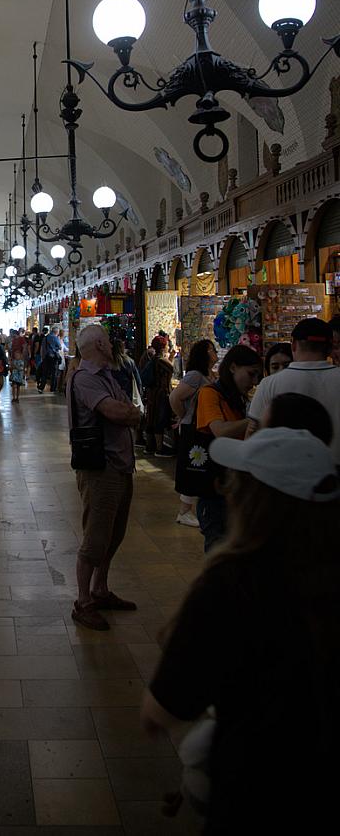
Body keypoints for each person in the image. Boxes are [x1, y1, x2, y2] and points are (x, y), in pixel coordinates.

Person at [142, 425, 340, 833]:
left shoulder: (231, 584)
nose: (225, 488)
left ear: (253, 500)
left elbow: (161, 709)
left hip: (252, 790)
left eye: (235, 482)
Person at [69, 325, 142, 631]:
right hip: (101, 468)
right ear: (99, 344)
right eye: (109, 341)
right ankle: (83, 601)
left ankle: (100, 589)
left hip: (120, 464)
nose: (113, 345)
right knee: (96, 537)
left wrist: (131, 412)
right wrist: (131, 413)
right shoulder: (85, 378)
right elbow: (118, 411)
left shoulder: (107, 375)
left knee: (114, 533)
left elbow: (129, 408)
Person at [191, 345, 262, 552]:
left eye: (257, 376)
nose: (254, 381)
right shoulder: (209, 394)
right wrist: (256, 419)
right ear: (233, 367)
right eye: (251, 374)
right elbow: (220, 430)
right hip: (214, 487)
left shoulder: (237, 398)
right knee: (218, 547)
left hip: (234, 485)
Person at [249, 318, 340, 462]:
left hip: (284, 470)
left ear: (294, 345)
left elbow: (253, 432)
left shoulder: (269, 384)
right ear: (329, 348)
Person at [170, 339, 218, 528]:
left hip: (204, 426)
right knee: (194, 466)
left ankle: (192, 509)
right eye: (212, 350)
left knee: (200, 466)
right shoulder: (195, 376)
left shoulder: (209, 375)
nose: (215, 353)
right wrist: (184, 416)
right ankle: (184, 511)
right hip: (194, 428)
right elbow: (175, 397)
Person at [142, 334, 174, 456]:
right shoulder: (161, 360)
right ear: (163, 347)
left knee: (151, 419)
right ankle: (160, 449)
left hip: (152, 393)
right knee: (159, 420)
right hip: (160, 394)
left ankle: (150, 446)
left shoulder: (153, 359)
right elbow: (171, 369)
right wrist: (171, 356)